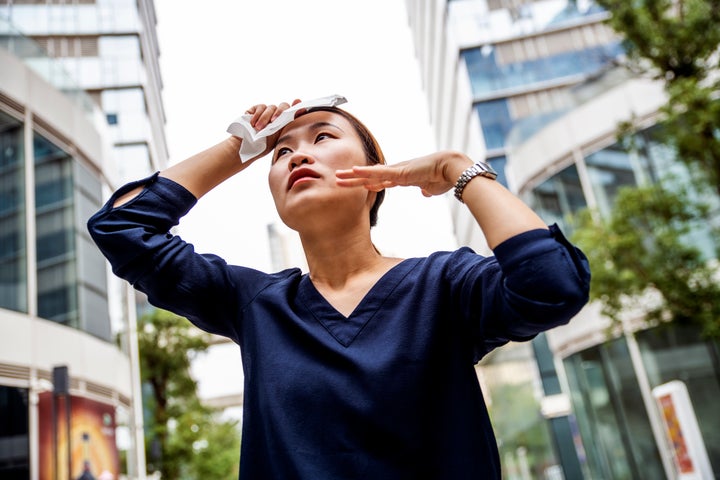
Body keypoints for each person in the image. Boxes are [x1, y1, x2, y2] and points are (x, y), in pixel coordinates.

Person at [87, 99, 590, 479]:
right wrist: (237, 149)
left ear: (376, 178)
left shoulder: (445, 285)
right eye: (282, 152)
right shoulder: (256, 305)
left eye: (323, 137)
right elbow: (123, 228)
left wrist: (454, 169)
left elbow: (552, 285)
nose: (297, 155)